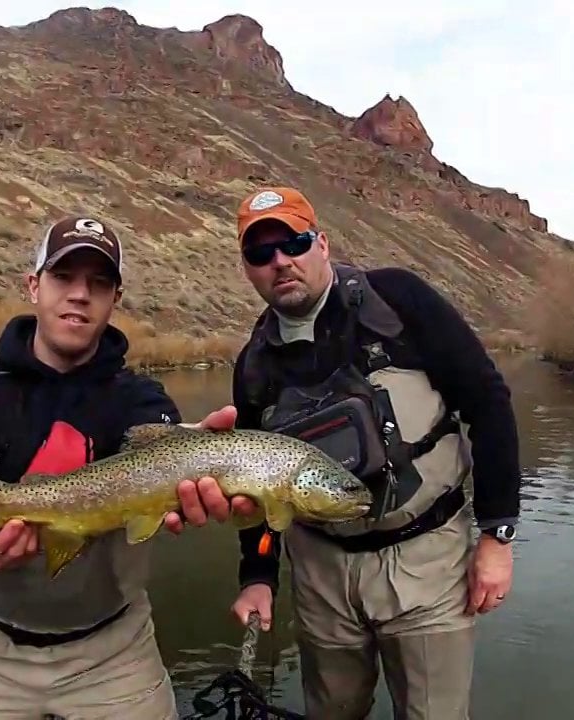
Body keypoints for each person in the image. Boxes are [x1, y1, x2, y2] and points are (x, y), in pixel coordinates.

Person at [0, 214, 255, 720]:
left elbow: (165, 461)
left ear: (115, 300)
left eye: (98, 283)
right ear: (33, 286)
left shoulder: (141, 400)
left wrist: (201, 455)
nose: (79, 295)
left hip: (115, 651)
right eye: (63, 277)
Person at [222, 187, 522, 719]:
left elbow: (488, 401)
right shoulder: (254, 364)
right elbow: (254, 482)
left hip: (427, 561)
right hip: (320, 573)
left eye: (293, 241)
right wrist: (258, 577)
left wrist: (497, 535)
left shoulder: (398, 300)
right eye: (260, 253)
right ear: (248, 269)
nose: (280, 261)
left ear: (322, 243)